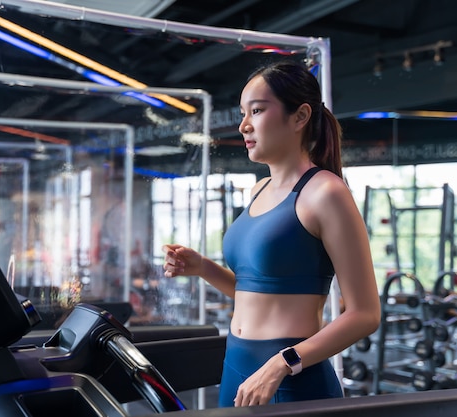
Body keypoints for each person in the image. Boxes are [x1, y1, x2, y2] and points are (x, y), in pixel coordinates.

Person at [162, 60, 380, 407]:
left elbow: (365, 314)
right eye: (243, 113)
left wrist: (283, 362)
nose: (244, 125)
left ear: (300, 116)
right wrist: (203, 268)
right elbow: (255, 294)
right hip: (236, 367)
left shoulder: (326, 192)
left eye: (257, 110)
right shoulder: (258, 190)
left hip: (291, 379)